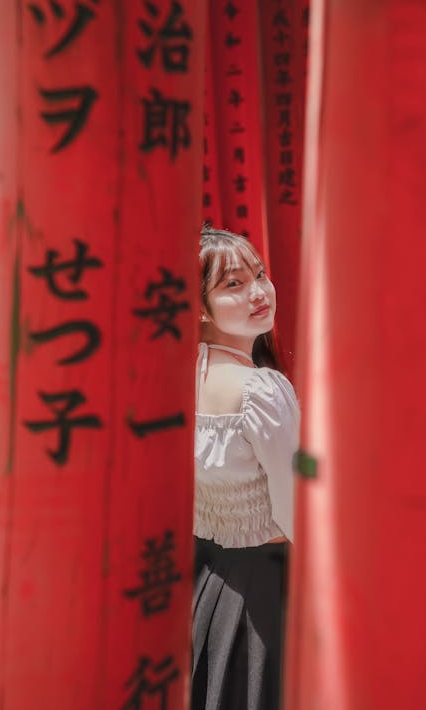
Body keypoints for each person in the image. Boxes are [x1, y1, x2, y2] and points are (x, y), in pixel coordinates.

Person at [191, 227, 300, 710]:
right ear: (199, 306)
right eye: (232, 285)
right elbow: (296, 508)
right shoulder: (261, 390)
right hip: (271, 596)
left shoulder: (186, 373)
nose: (258, 291)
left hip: (212, 587)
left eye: (259, 274)